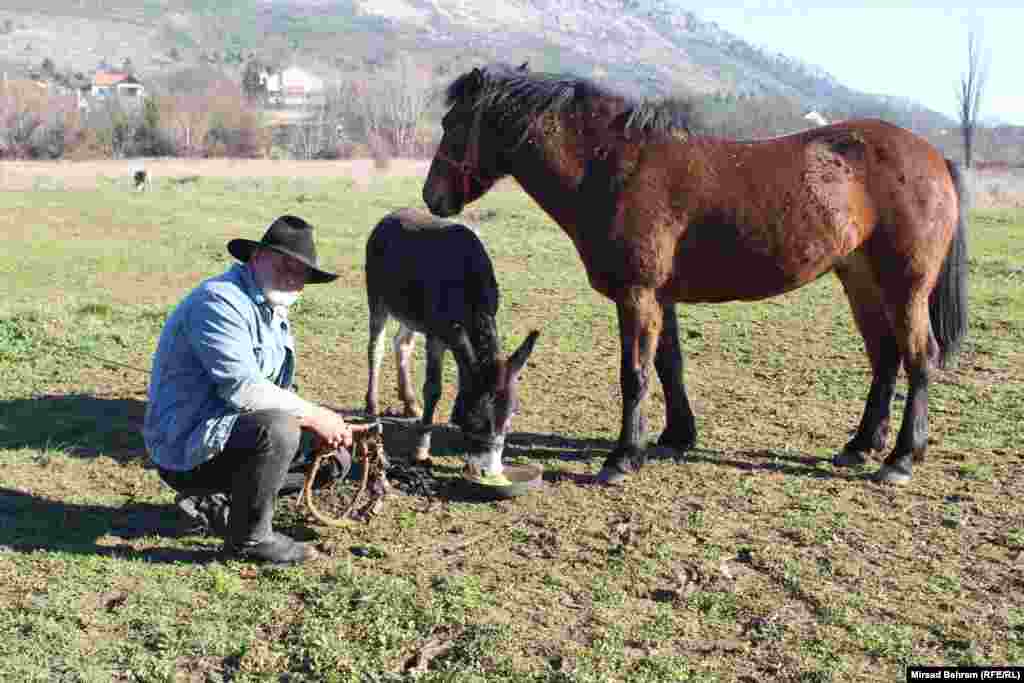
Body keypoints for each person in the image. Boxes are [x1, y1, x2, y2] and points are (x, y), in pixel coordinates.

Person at [143, 215, 353, 565]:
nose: (291, 275)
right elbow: (245, 390)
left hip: (232, 435)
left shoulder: (272, 308)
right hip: (187, 445)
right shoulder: (219, 302)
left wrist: (323, 426)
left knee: (336, 457)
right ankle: (250, 540)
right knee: (280, 429)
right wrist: (314, 415)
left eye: (300, 271)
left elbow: (276, 389)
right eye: (282, 262)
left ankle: (221, 502)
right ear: (256, 257)